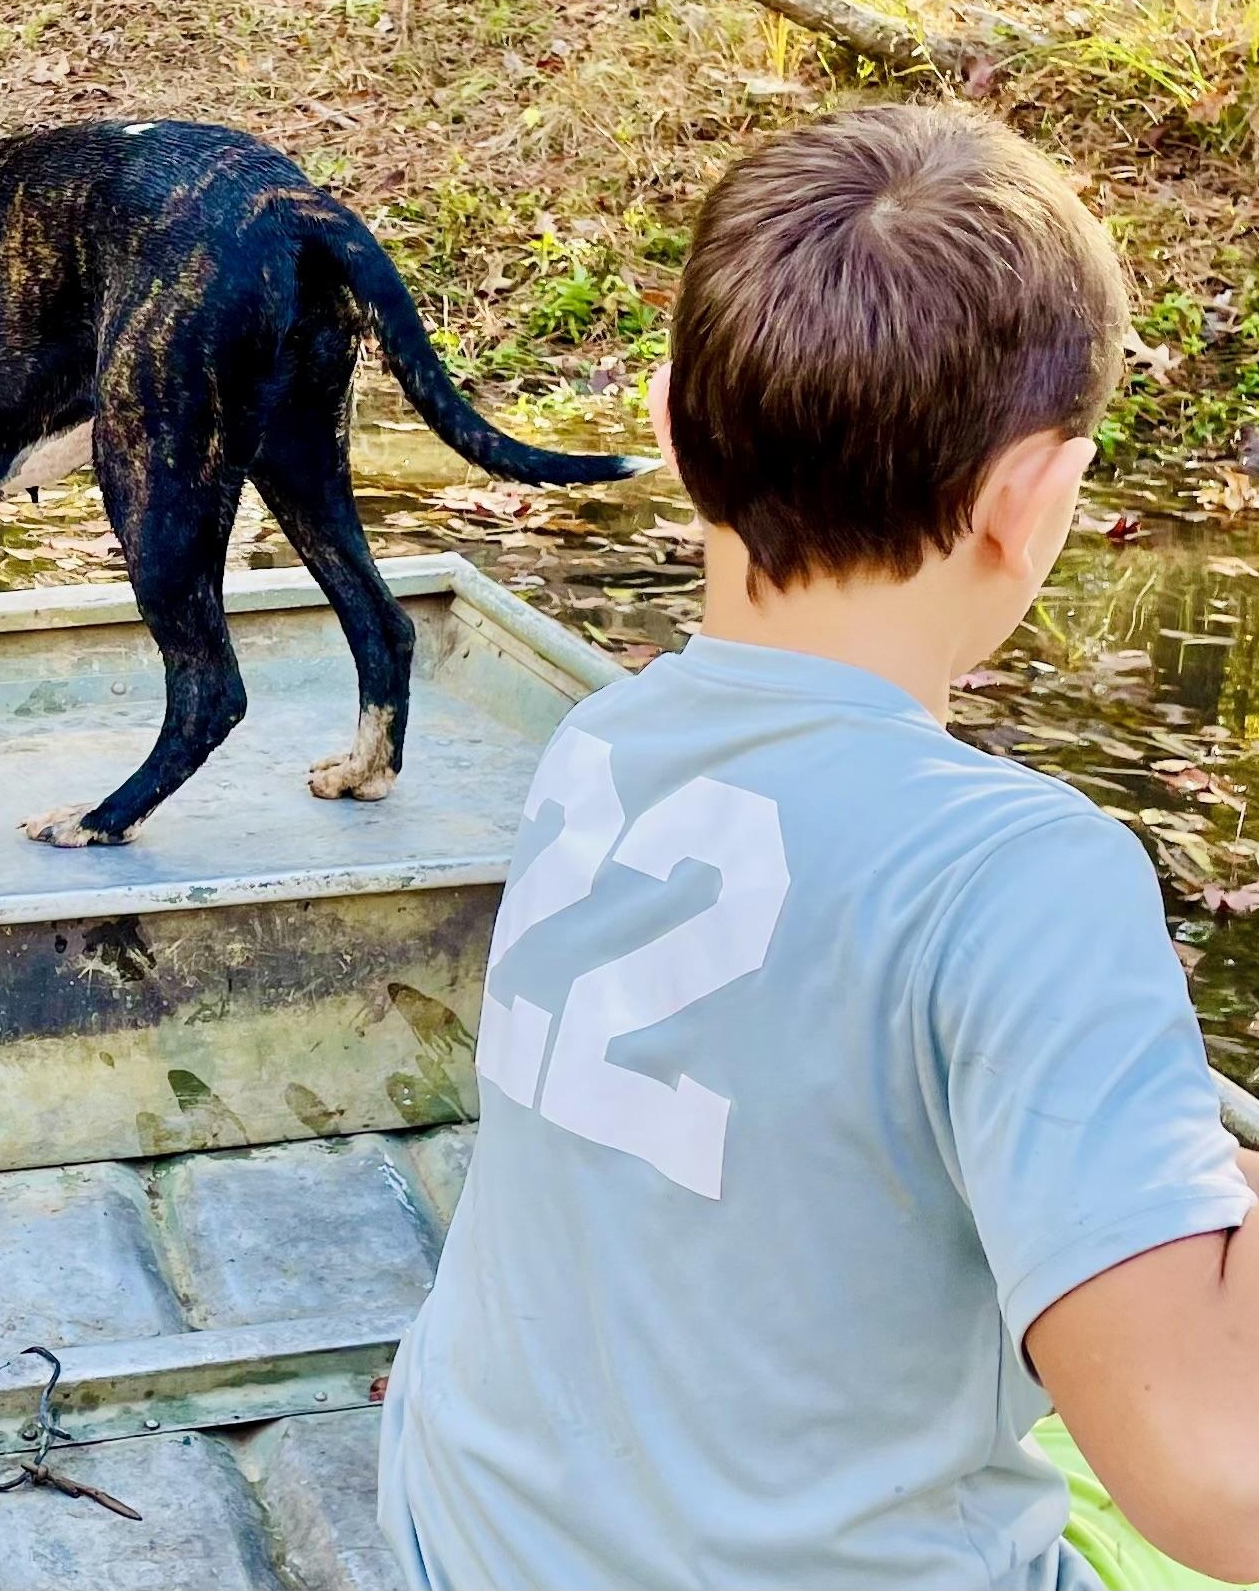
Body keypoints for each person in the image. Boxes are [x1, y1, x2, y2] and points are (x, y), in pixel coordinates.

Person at [378, 104, 1259, 1591]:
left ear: (666, 423)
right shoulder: (1024, 875)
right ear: (1031, 498)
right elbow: (1217, 1493)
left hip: (458, 1534)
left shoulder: (602, 741)